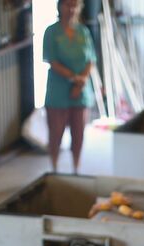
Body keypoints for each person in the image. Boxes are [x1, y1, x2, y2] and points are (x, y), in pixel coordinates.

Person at [42, 0, 97, 173]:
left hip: (80, 90)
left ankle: (76, 168)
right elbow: (53, 61)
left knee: (78, 133)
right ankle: (55, 168)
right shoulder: (51, 32)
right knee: (56, 133)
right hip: (58, 89)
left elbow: (91, 60)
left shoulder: (83, 31)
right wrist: (74, 78)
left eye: (75, 5)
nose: (71, 9)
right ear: (60, 6)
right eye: (67, 5)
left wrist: (81, 81)